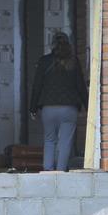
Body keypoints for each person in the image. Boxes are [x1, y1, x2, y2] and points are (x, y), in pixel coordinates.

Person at [29, 31, 88, 172]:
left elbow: (37, 86)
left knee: (50, 140)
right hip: (69, 108)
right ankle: (61, 171)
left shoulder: (44, 61)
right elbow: (80, 85)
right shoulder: (74, 61)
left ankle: (48, 170)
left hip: (48, 108)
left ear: (52, 45)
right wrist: (88, 106)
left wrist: (33, 108)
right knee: (65, 142)